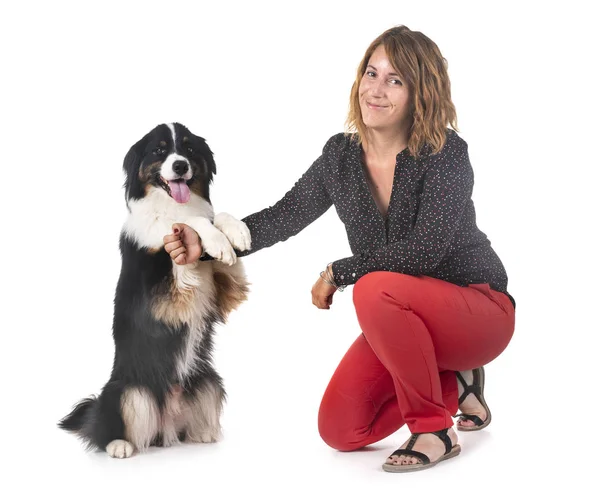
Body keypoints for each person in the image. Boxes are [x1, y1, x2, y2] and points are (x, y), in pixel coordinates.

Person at [163, 25, 515, 473]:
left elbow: (423, 252)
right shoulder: (341, 156)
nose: (376, 89)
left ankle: (434, 431)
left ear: (420, 93)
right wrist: (207, 243)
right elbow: (284, 214)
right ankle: (459, 385)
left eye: (395, 80)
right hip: (405, 320)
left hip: (479, 309)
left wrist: (337, 271)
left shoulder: (445, 153)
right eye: (372, 73)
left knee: (371, 288)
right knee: (342, 430)